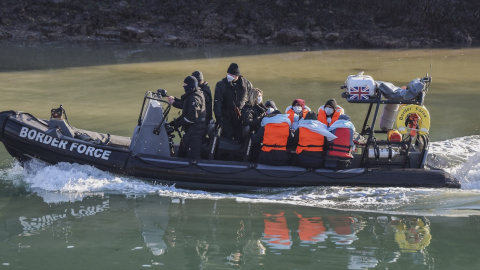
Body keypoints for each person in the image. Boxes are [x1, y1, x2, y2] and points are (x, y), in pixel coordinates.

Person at [214, 63, 253, 141]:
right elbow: (217, 104)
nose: (229, 76)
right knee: (226, 141)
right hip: (226, 118)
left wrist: (248, 117)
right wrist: (219, 120)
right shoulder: (221, 85)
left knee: (240, 140)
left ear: (237, 76)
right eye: (228, 74)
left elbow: (251, 101)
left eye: (231, 74)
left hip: (241, 119)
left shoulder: (246, 84)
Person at [170, 76, 206, 159]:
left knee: (193, 156)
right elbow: (186, 110)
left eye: (185, 84)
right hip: (191, 130)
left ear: (190, 86)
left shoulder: (195, 98)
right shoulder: (192, 95)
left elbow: (191, 117)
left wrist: (179, 124)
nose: (183, 86)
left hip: (195, 131)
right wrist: (174, 123)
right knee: (183, 151)